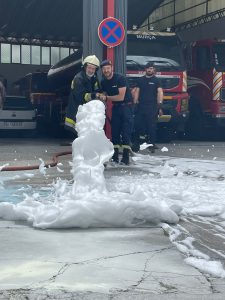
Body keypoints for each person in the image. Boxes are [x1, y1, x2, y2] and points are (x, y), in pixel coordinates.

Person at [100, 59, 133, 165]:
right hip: (115, 108)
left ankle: (126, 157)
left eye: (108, 68)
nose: (106, 71)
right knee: (115, 132)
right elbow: (103, 94)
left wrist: (106, 97)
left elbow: (120, 97)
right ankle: (115, 156)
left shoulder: (120, 78)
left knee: (125, 132)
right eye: (104, 69)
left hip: (126, 107)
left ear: (112, 68)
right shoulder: (103, 82)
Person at [64, 55, 103, 135]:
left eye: (93, 68)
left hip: (87, 111)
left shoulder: (94, 78)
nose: (91, 70)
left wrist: (100, 95)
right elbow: (81, 97)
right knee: (80, 135)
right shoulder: (79, 78)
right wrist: (94, 96)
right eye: (89, 67)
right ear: (85, 67)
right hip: (77, 110)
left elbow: (97, 90)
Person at [132, 62, 163, 153]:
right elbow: (137, 91)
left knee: (151, 126)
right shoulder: (140, 80)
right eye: (148, 68)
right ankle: (136, 144)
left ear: (154, 70)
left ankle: (152, 144)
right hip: (141, 106)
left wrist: (159, 105)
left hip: (152, 107)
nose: (150, 70)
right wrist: (135, 103)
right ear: (145, 69)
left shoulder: (157, 81)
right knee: (137, 125)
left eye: (151, 68)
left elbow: (160, 92)